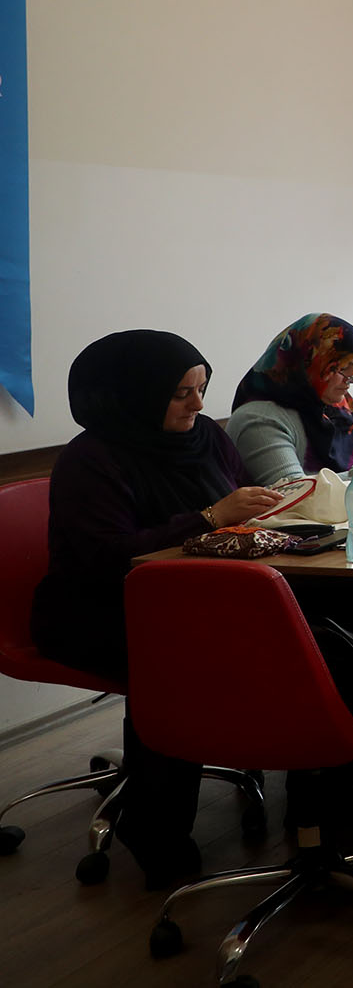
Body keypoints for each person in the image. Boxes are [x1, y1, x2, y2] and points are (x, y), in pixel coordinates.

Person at [30, 332, 286, 887]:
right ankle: (154, 828)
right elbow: (108, 559)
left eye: (201, 388)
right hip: (98, 610)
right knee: (182, 662)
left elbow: (245, 507)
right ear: (131, 396)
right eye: (180, 393)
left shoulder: (206, 440)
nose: (198, 405)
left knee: (303, 630)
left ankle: (327, 801)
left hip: (200, 596)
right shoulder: (91, 461)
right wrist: (210, 517)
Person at [228, 314, 353, 487]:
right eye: (344, 368)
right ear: (312, 364)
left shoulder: (327, 407)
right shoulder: (258, 420)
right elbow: (292, 492)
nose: (352, 379)